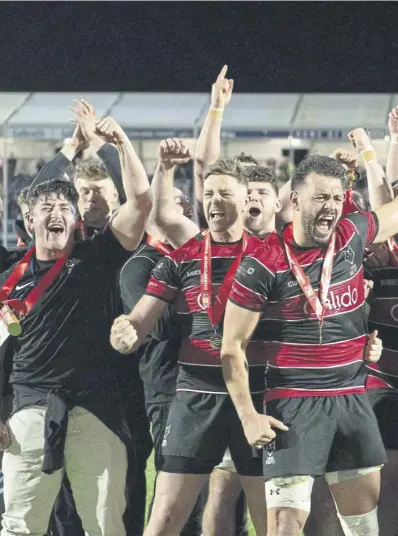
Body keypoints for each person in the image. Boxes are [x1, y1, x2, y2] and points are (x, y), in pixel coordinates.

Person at [220, 152, 392, 536]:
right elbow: (232, 347)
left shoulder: (351, 235)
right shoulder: (262, 264)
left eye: (336, 198)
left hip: (350, 397)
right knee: (283, 526)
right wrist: (249, 416)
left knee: (363, 526)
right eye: (320, 198)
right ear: (293, 201)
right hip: (292, 403)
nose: (330, 206)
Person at [0, 111, 152, 536]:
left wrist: (118, 140)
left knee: (106, 525)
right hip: (28, 411)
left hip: (96, 409)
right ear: (28, 221)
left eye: (65, 207)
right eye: (45, 208)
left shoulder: (97, 258)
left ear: (76, 220)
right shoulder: (9, 277)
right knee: (20, 526)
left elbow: (140, 202)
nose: (55, 213)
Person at [111, 155, 269, 536]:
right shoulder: (182, 258)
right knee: (164, 519)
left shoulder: (272, 256)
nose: (214, 201)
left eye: (224, 193)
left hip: (257, 395)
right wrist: (125, 331)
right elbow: (141, 319)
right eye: (208, 193)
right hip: (195, 396)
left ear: (247, 199)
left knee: (271, 523)